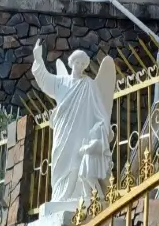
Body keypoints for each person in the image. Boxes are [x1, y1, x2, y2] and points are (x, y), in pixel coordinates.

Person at [32, 40, 115, 204]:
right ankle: (59, 196)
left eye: (82, 63)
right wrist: (38, 58)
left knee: (78, 164)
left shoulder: (89, 85)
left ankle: (81, 197)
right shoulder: (61, 82)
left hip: (82, 131)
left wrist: (104, 127)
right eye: (76, 62)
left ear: (85, 66)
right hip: (63, 132)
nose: (78, 65)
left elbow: (99, 110)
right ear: (71, 63)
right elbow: (44, 79)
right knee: (59, 163)